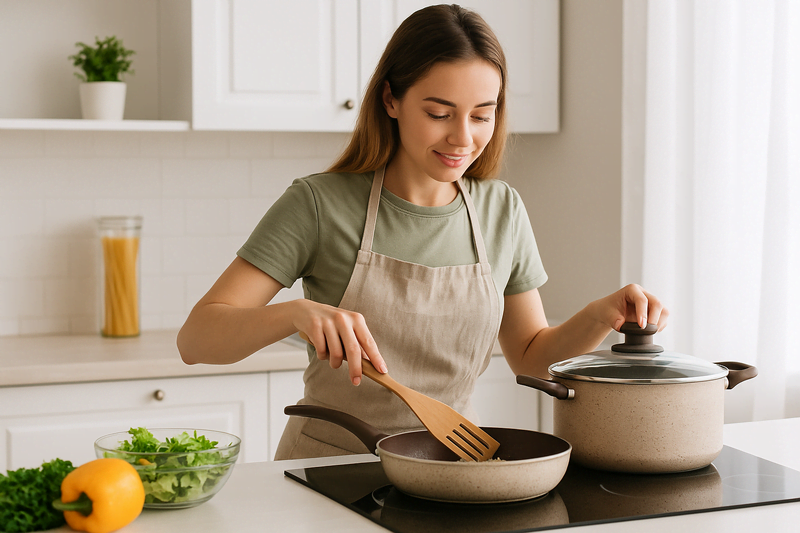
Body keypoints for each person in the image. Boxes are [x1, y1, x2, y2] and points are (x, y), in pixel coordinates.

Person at [177, 4, 668, 460]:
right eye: (439, 114)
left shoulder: (502, 210)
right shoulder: (319, 204)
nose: (463, 138)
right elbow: (196, 341)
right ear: (391, 99)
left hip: (451, 465)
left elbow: (531, 359)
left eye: (482, 115)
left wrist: (599, 316)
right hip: (328, 470)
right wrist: (295, 314)